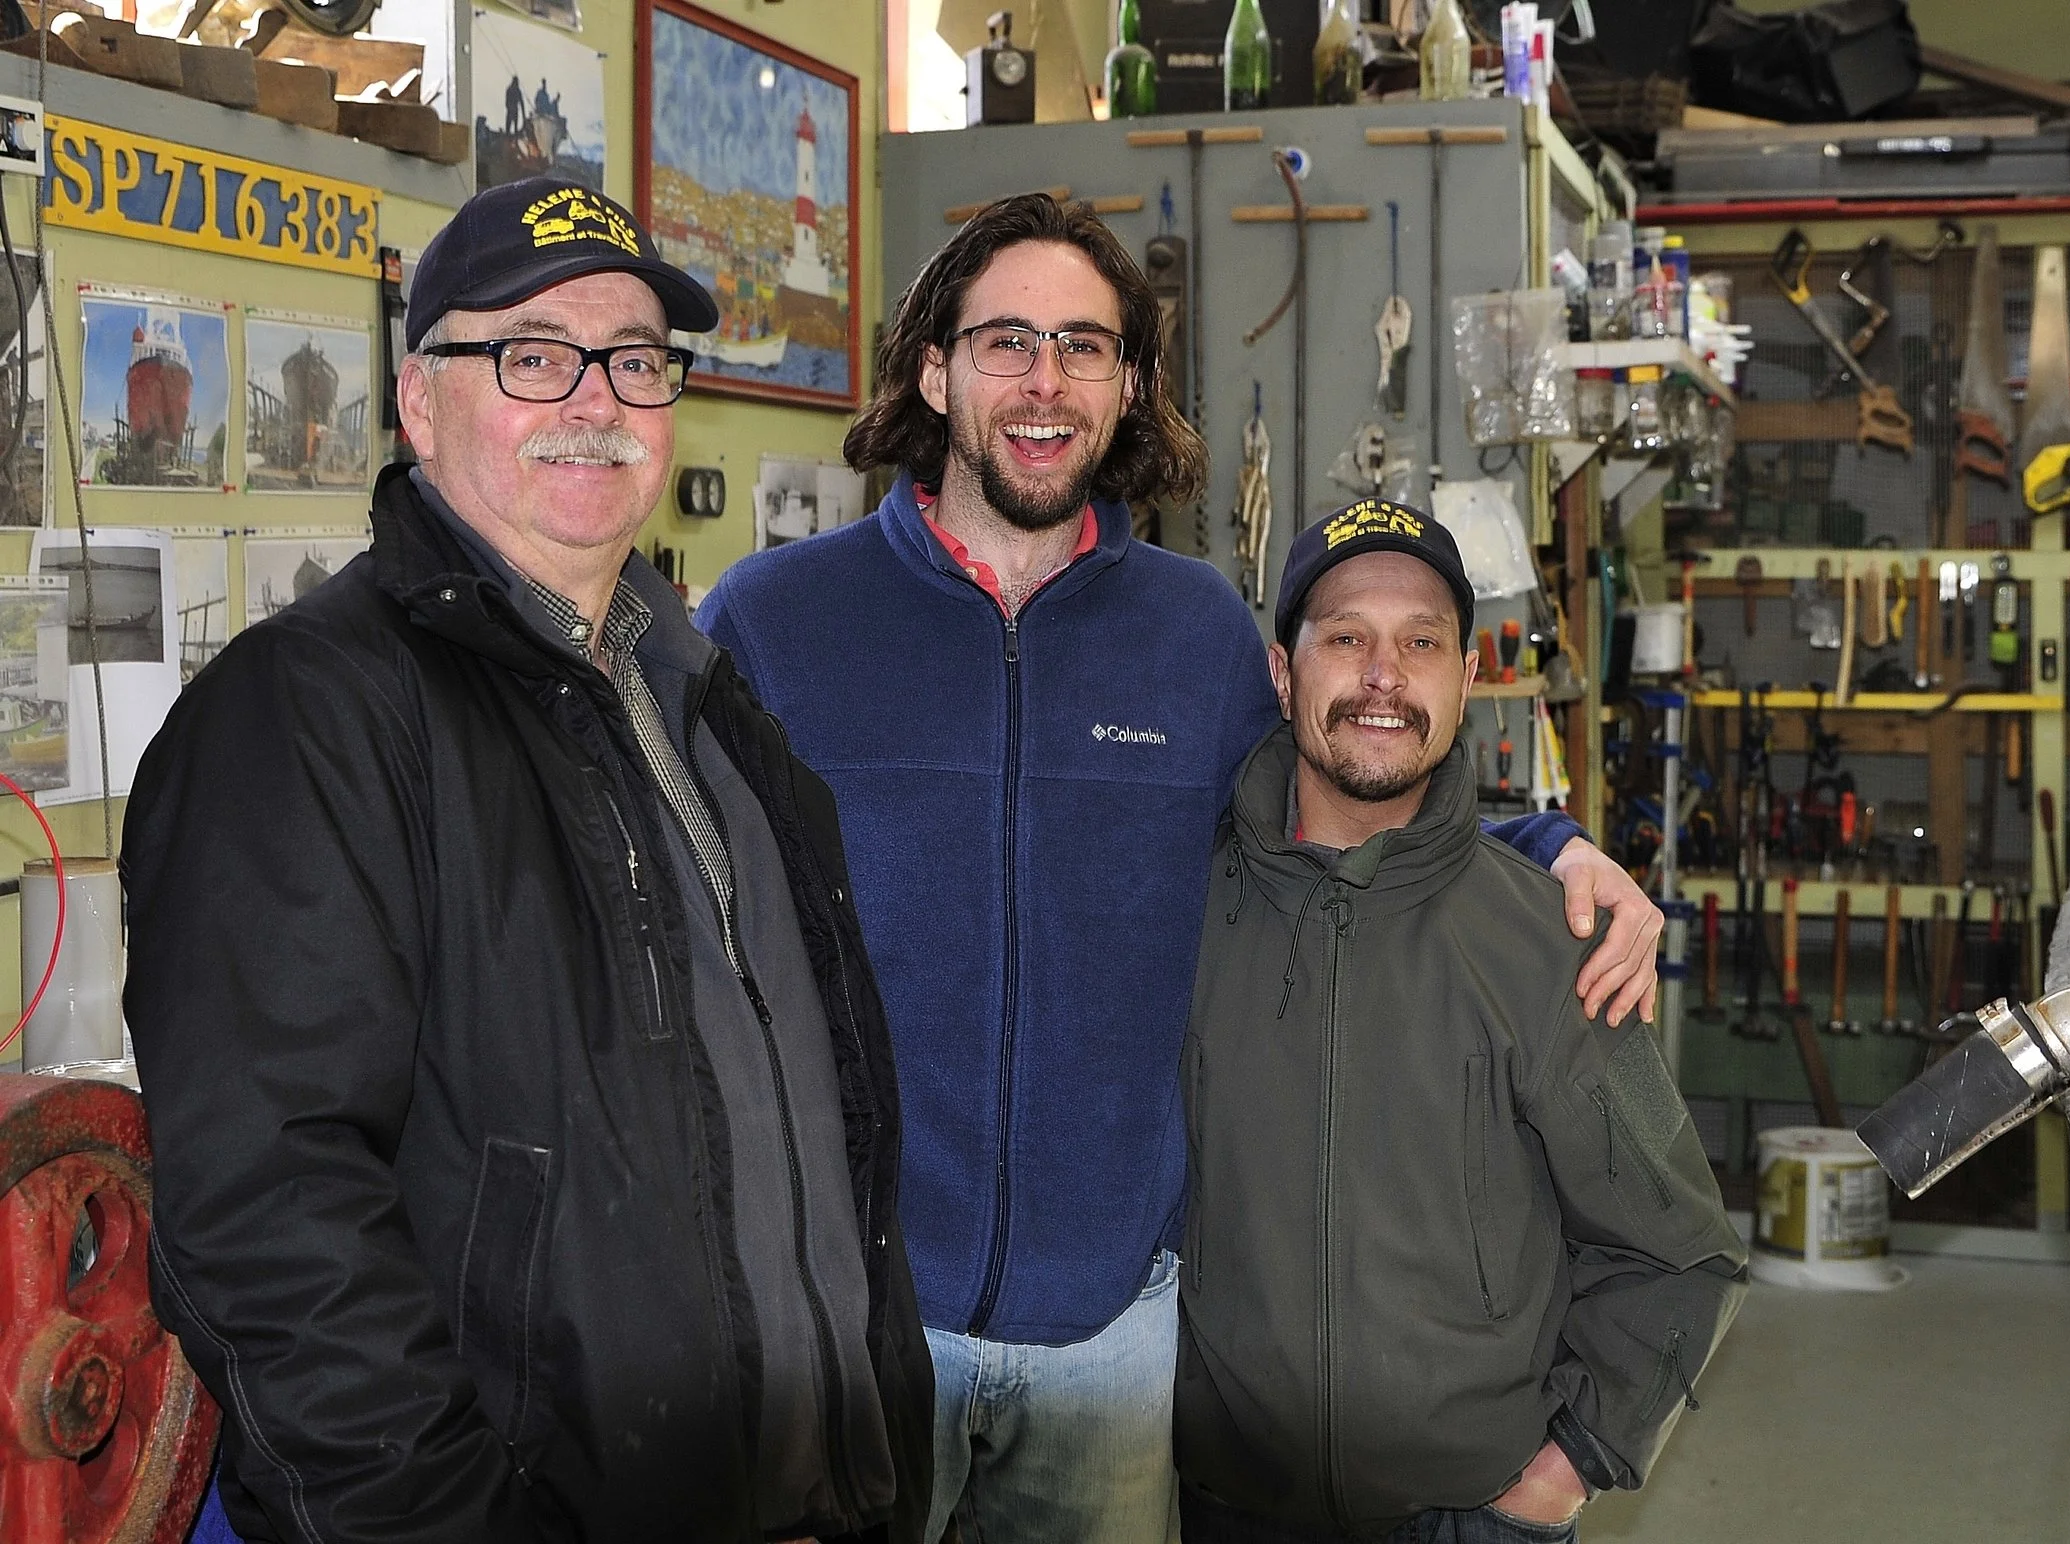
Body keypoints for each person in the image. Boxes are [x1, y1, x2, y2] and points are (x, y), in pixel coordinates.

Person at [697, 192, 1667, 1544]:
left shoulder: (1199, 636)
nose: (1047, 383)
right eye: (1008, 342)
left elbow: (1335, 826)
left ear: (1131, 385)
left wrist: (1555, 850)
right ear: (934, 367)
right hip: (853, 1321)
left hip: (1116, 1336)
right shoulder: (774, 622)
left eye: (1086, 347)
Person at [123, 178, 932, 1544]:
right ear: (419, 401)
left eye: (632, 359)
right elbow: (269, 1216)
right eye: (531, 356)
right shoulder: (309, 712)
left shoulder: (707, 703)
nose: (595, 400)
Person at [1176, 502, 1747, 1543]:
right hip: (1222, 1508)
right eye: (1345, 635)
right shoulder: (1184, 914)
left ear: (1468, 677)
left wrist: (1566, 1468)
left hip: (1470, 1516)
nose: (1383, 674)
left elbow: (1681, 1250)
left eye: (1422, 641)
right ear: (1280, 672)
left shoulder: (1546, 940)